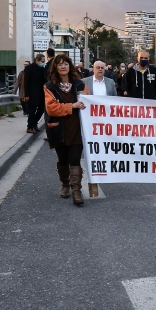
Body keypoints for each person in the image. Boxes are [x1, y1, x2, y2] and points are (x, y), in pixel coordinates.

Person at [44, 54, 87, 206]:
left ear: (70, 67)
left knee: (75, 159)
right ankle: (65, 184)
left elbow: (88, 102)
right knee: (62, 161)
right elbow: (51, 109)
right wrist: (72, 106)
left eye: (66, 64)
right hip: (59, 129)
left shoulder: (80, 85)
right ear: (55, 67)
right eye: (60, 64)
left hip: (77, 129)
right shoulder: (49, 87)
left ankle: (76, 191)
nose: (63, 66)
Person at [24, 53, 47, 134]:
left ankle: (34, 124)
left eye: (44, 61)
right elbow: (26, 82)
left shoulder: (42, 69)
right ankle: (29, 127)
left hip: (41, 93)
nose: (43, 63)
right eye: (42, 61)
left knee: (41, 109)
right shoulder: (29, 68)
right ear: (37, 60)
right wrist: (26, 94)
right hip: (32, 93)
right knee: (32, 111)